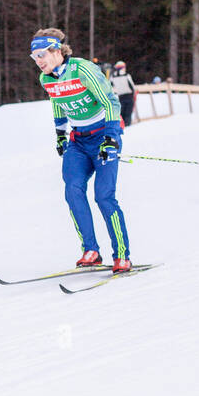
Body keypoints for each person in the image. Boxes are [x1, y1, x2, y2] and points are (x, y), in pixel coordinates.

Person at [31, 29, 132, 272]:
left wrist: (111, 137)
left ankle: (122, 255)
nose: (38, 61)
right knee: (73, 191)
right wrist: (60, 134)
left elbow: (110, 101)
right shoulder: (46, 79)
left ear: (56, 51)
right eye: (33, 56)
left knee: (104, 196)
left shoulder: (82, 69)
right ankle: (90, 250)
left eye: (42, 54)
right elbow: (57, 102)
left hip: (103, 135)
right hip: (78, 141)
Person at [111, 61, 136, 126]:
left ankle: (122, 125)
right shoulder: (127, 75)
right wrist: (134, 93)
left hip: (120, 96)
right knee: (128, 113)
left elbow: (110, 87)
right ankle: (128, 125)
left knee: (122, 113)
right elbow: (132, 86)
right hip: (129, 96)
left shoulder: (113, 76)